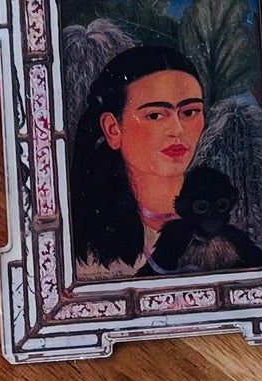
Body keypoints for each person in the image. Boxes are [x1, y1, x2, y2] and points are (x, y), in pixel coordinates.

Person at [70, 45, 206, 277]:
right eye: (155, 115)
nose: (177, 130)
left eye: (189, 112)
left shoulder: (222, 223)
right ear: (113, 128)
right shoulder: (88, 250)